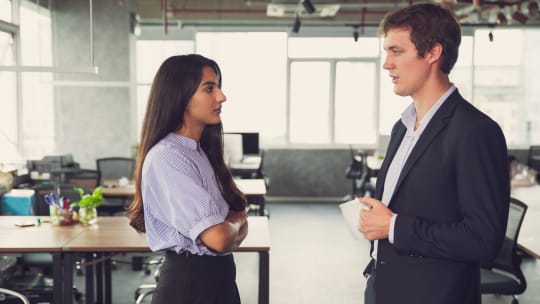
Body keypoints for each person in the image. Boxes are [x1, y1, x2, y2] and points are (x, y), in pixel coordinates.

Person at [358, 4, 510, 304]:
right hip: (384, 288)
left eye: (396, 51)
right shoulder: (402, 127)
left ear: (432, 53)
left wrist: (393, 226)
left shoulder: (476, 131)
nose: (387, 64)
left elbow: (483, 240)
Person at [127, 54, 248, 304]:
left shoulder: (198, 152)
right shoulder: (168, 157)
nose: (221, 96)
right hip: (191, 285)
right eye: (209, 88)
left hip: (218, 279)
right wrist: (235, 219)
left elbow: (231, 235)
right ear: (180, 96)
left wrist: (230, 226)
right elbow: (220, 238)